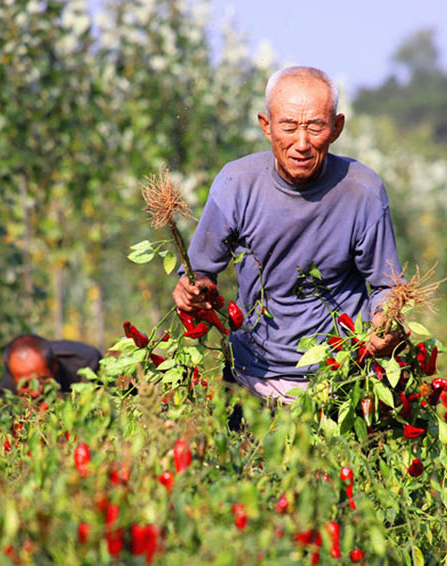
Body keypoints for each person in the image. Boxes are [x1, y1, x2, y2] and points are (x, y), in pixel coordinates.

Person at [172, 66, 402, 404]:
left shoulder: (362, 191)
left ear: (336, 127)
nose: (302, 143)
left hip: (340, 380)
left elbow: (387, 285)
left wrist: (385, 321)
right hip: (252, 376)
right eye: (289, 127)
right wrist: (193, 291)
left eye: (315, 127)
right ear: (266, 126)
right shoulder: (237, 185)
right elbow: (200, 272)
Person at [0, 334, 102, 395]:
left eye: (42, 380)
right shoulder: (8, 386)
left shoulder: (85, 363)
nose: (36, 392)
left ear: (55, 365)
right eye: (25, 385)